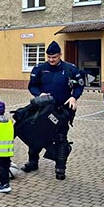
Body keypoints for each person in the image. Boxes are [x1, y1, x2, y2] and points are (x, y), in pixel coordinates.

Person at [23, 41, 84, 180]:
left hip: (62, 109)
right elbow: (32, 86)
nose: (51, 60)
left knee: (61, 138)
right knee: (36, 135)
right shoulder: (39, 69)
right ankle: (33, 162)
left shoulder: (70, 69)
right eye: (49, 57)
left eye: (54, 57)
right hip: (43, 108)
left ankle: (60, 168)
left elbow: (80, 86)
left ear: (60, 55)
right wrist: (39, 94)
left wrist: (74, 97)